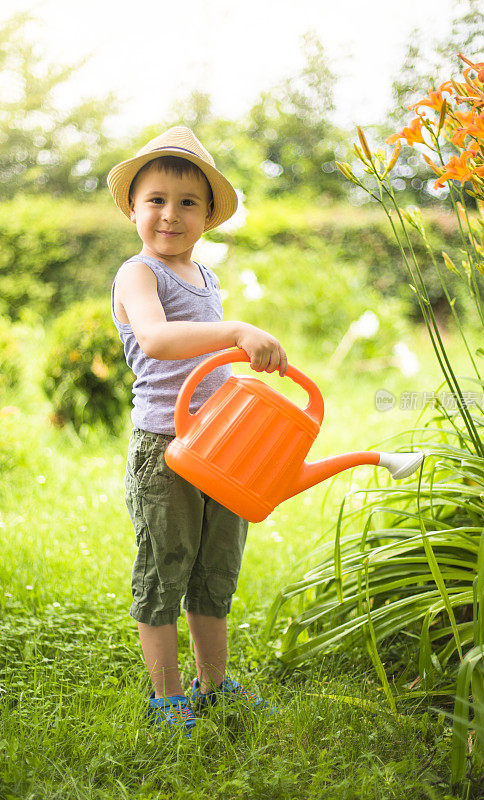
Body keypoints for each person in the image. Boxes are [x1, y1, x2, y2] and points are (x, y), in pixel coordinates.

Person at [107, 126, 287, 735]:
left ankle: (214, 685)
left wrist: (250, 363)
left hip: (222, 445)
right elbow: (157, 341)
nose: (170, 214)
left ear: (209, 216)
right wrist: (236, 331)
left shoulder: (206, 280)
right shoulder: (139, 275)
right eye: (155, 199)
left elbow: (211, 362)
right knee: (166, 564)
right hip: (168, 447)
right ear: (133, 208)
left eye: (188, 202)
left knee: (215, 568)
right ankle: (167, 695)